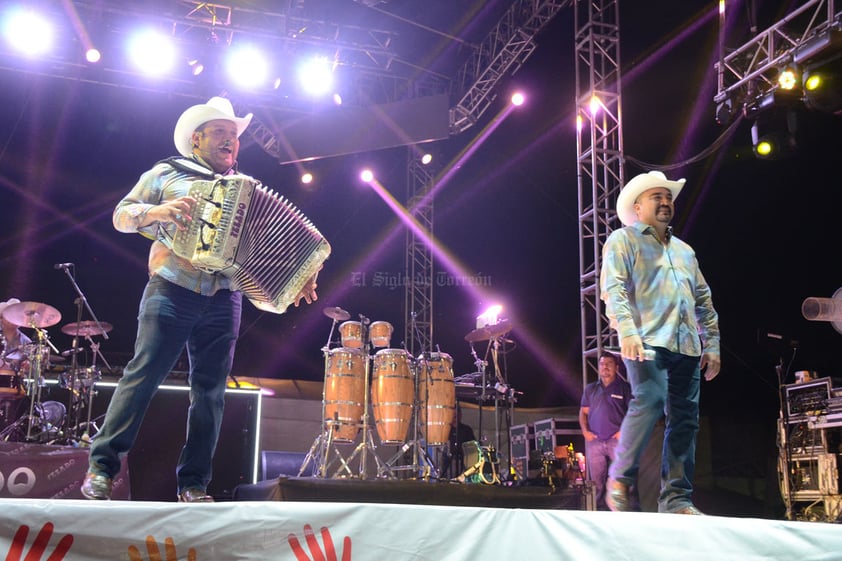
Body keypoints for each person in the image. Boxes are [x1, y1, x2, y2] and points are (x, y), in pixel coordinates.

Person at [81, 97, 319, 502]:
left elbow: (262, 250)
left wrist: (295, 276)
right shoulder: (167, 173)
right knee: (143, 376)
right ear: (197, 139)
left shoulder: (246, 191)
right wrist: (157, 213)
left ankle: (193, 484)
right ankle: (101, 469)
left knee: (210, 392)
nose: (231, 141)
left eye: (234, 135)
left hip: (225, 297)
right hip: (173, 287)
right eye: (221, 133)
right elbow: (122, 215)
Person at [599, 170, 721, 515]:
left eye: (668, 197)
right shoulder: (623, 240)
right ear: (638, 207)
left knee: (685, 419)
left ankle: (676, 499)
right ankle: (620, 478)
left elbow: (703, 299)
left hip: (686, 346)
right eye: (657, 197)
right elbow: (615, 289)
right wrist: (627, 332)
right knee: (649, 399)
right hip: (646, 340)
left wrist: (710, 343)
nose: (666, 202)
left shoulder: (685, 251)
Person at [578, 352, 631, 509]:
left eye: (609, 363)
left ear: (616, 367)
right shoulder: (591, 389)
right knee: (596, 481)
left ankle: (623, 510)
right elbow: (583, 412)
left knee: (620, 478)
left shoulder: (624, 388)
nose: (605, 366)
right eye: (602, 363)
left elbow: (633, 413)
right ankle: (598, 510)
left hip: (617, 441)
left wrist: (623, 431)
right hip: (595, 441)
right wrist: (585, 431)